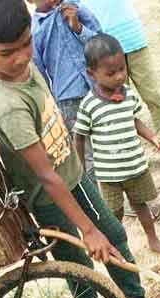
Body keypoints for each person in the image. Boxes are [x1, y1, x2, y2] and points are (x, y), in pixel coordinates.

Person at [0, 0, 160, 298]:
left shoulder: (28, 71)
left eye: (26, 44)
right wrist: (86, 230)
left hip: (74, 176)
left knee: (115, 236)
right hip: (48, 200)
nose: (20, 57)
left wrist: (96, 227)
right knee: (78, 268)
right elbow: (45, 177)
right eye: (7, 53)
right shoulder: (8, 103)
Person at [74, 33, 160, 256]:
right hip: (109, 175)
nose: (119, 76)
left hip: (135, 166)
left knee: (141, 205)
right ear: (91, 73)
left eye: (122, 69)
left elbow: (135, 121)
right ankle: (118, 249)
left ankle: (153, 240)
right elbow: (79, 137)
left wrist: (154, 138)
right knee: (113, 215)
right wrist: (79, 168)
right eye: (111, 73)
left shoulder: (128, 95)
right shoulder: (89, 105)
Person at [81, 0, 160, 168]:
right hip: (102, 51)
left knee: (155, 96)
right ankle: (129, 158)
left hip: (131, 38)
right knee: (115, 108)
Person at [29, 0, 100, 182]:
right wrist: (52, 106)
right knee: (87, 156)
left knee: (111, 143)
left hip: (99, 87)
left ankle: (130, 198)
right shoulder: (34, 30)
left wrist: (78, 28)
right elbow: (39, 73)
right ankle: (105, 208)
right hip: (69, 100)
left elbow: (101, 41)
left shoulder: (76, 7)